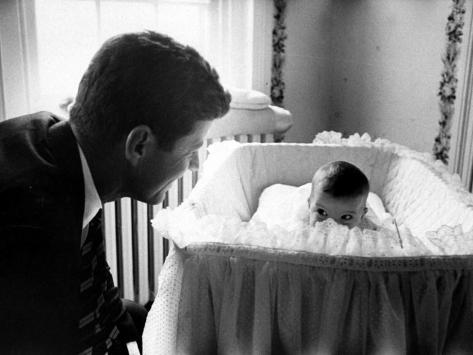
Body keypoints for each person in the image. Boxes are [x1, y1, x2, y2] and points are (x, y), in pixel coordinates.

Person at [0, 31, 231, 354]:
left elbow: (95, 290)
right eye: (190, 151)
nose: (194, 165)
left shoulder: (67, 148)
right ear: (139, 144)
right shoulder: (34, 228)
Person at [308, 161, 370, 229]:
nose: (332, 226)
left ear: (362, 216)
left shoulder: (367, 232)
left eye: (346, 217)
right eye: (321, 212)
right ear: (309, 205)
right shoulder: (300, 226)